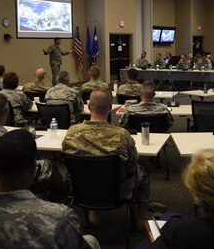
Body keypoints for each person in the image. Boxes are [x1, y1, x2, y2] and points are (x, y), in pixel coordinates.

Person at [62, 88, 150, 229]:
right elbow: (132, 166)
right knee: (143, 169)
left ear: (89, 106)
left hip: (83, 188)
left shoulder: (72, 132)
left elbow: (66, 161)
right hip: (117, 189)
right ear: (110, 107)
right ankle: (142, 214)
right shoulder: (122, 135)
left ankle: (94, 210)